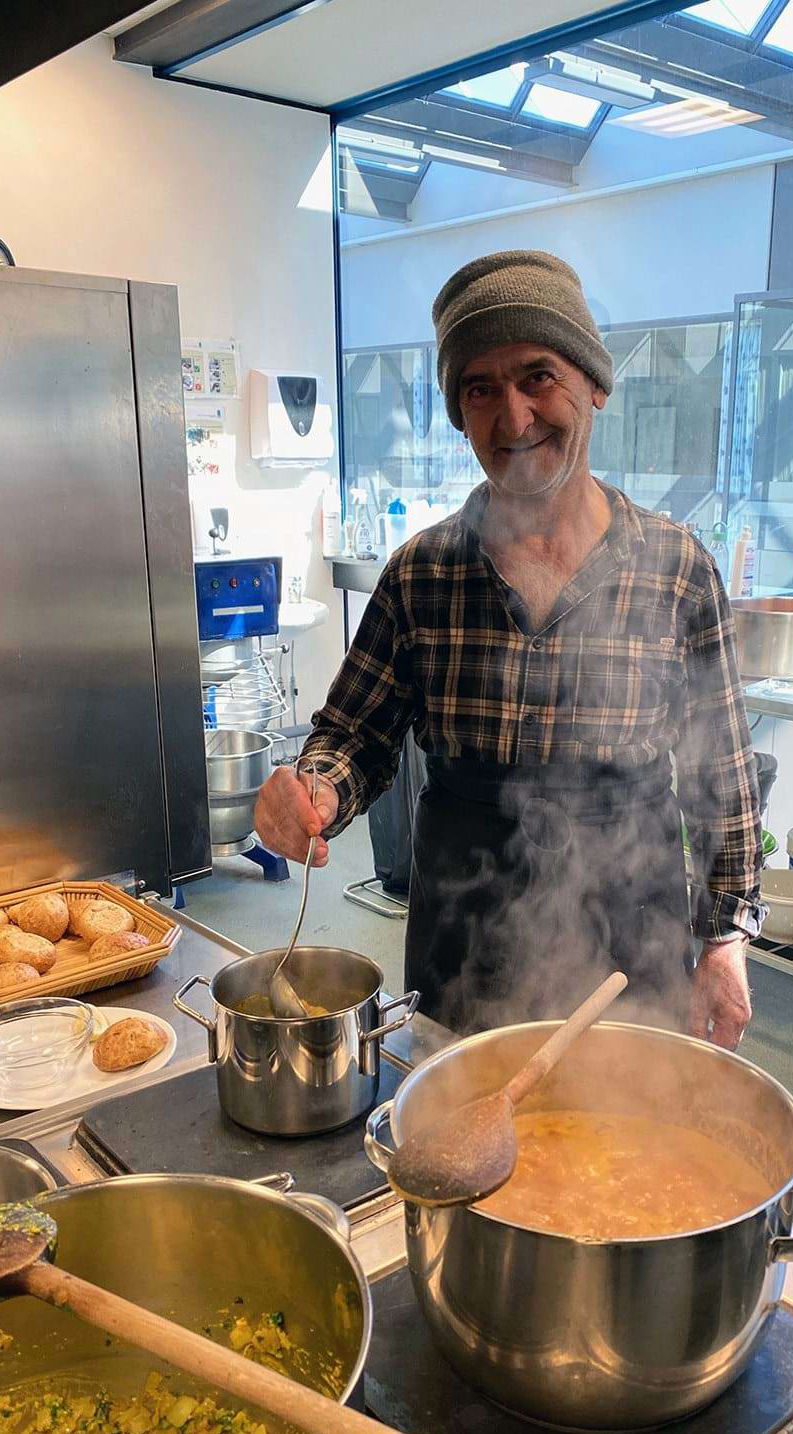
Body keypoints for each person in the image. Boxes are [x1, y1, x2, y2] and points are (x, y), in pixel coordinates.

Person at [256, 250, 762, 1043]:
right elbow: (355, 734)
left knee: (624, 1123)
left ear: (595, 385)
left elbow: (721, 777)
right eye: (480, 388)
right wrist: (313, 790)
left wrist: (725, 943)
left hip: (630, 940)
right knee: (456, 1116)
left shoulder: (676, 570)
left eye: (538, 377)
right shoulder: (423, 572)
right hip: (465, 941)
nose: (515, 417)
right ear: (460, 413)